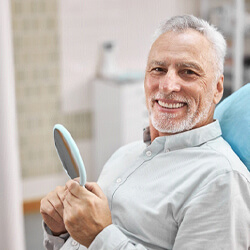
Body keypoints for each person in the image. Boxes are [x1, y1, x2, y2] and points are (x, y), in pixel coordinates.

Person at [40, 15, 250, 249]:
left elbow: (96, 237)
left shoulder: (221, 179)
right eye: (158, 69)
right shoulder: (124, 155)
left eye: (188, 72)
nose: (167, 85)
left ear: (217, 88)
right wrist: (60, 231)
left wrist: (100, 236)